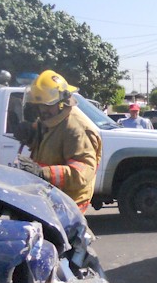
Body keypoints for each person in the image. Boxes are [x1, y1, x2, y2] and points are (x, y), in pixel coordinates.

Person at [15, 70, 102, 213]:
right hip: (51, 201)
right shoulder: (51, 121)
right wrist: (30, 135)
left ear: (63, 102)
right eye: (39, 105)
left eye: (47, 105)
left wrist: (43, 173)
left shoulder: (77, 129)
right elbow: (50, 147)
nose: (42, 110)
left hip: (68, 209)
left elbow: (81, 174)